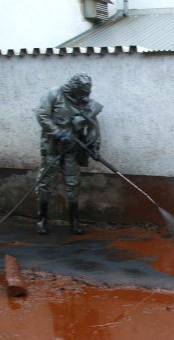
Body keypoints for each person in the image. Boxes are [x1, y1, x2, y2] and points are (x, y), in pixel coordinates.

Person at [34, 73, 102, 235]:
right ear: (73, 87)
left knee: (73, 184)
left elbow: (93, 126)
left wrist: (94, 146)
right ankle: (41, 219)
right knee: (45, 183)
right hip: (52, 148)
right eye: (81, 92)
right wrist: (57, 133)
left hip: (73, 149)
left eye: (86, 93)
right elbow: (42, 115)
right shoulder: (54, 94)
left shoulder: (84, 101)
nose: (84, 96)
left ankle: (73, 221)